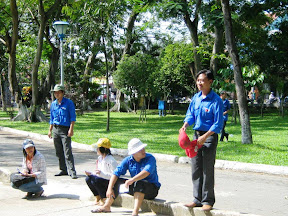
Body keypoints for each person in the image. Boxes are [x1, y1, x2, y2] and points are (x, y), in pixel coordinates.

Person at [179, 69, 223, 211]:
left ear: (210, 82)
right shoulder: (196, 98)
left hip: (209, 137)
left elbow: (218, 124)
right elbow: (190, 114)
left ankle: (207, 200)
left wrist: (205, 137)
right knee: (196, 168)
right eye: (198, 80)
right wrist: (185, 125)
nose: (199, 83)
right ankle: (197, 199)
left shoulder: (216, 100)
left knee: (207, 169)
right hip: (196, 136)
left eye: (202, 80)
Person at [91, 138, 161, 216]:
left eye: (143, 148)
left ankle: (135, 212)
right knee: (117, 181)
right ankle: (107, 206)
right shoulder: (128, 160)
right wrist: (109, 188)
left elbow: (146, 172)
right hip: (135, 186)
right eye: (140, 150)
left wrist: (132, 179)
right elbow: (116, 173)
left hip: (151, 189)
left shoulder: (150, 158)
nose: (143, 151)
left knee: (139, 183)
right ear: (133, 153)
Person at [48, 84, 77, 179]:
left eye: (58, 92)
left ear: (62, 93)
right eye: (55, 93)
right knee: (58, 151)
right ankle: (63, 169)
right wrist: (50, 130)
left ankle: (72, 171)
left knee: (67, 151)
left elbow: (72, 117)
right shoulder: (53, 104)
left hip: (65, 129)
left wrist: (71, 129)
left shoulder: (69, 103)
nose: (56, 94)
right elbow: (52, 118)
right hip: (56, 129)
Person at [85, 138, 118, 206]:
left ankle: (104, 198)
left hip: (109, 182)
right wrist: (91, 173)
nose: (97, 150)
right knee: (88, 179)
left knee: (96, 179)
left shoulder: (111, 160)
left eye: (98, 148)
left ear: (104, 149)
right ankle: (98, 197)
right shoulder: (100, 158)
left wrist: (101, 174)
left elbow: (114, 175)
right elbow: (98, 172)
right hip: (100, 179)